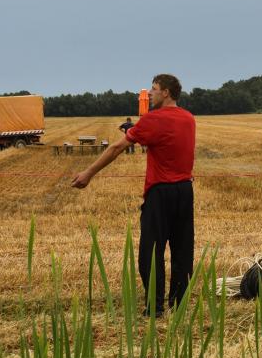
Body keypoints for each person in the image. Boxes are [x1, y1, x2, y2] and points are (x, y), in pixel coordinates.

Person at [72, 74, 196, 317]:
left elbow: (117, 147)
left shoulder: (153, 119)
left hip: (160, 192)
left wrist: (89, 173)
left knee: (150, 253)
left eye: (154, 89)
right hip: (185, 189)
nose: (149, 93)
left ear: (166, 93)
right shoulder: (189, 119)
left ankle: (155, 308)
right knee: (182, 251)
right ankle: (179, 306)